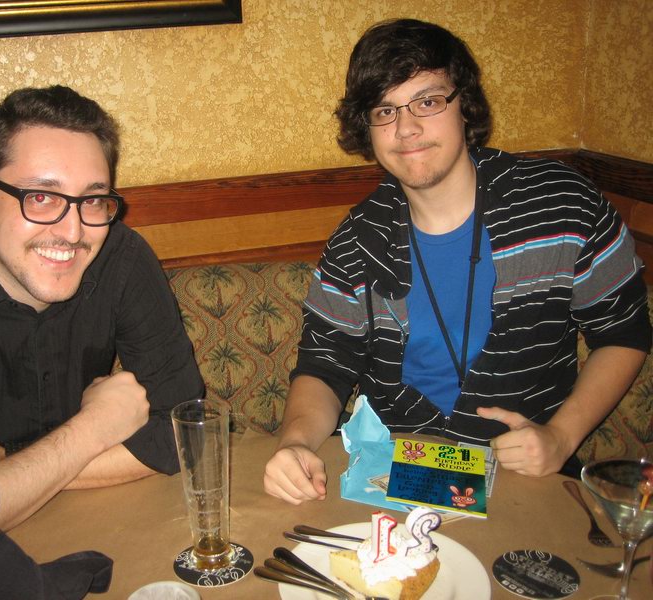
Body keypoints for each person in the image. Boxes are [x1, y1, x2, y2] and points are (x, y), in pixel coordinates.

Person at [264, 19, 651, 505]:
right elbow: (324, 365)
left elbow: (623, 332)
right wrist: (296, 442)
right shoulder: (357, 239)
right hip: (399, 475)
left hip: (526, 477)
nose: (406, 128)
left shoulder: (559, 204)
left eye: (427, 101)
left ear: (464, 104)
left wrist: (561, 436)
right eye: (385, 110)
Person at [0, 85, 204, 566]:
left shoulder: (121, 257)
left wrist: (2, 462)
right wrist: (93, 430)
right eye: (41, 196)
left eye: (92, 200)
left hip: (93, 523)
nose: (72, 231)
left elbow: (184, 435)